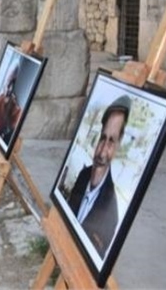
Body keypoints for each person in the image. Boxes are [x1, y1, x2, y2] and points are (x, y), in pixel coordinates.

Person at [67, 95, 129, 257]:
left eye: (111, 141)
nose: (102, 151)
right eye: (103, 138)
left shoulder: (111, 214)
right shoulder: (83, 176)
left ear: (118, 144)